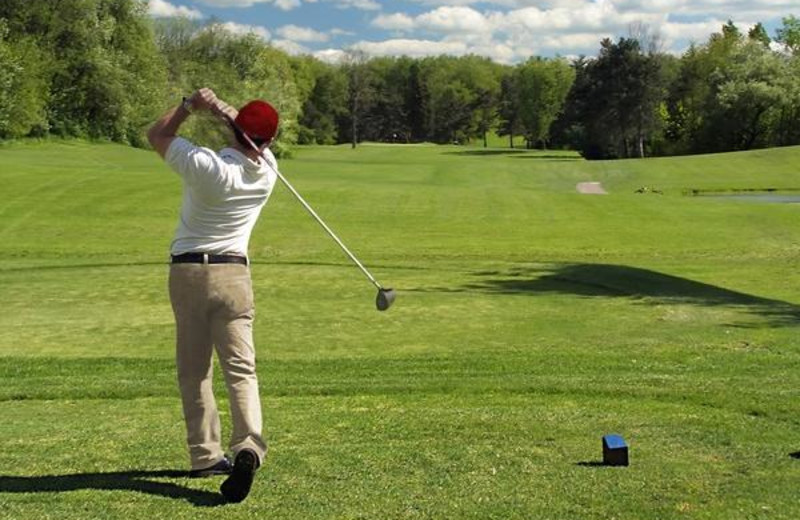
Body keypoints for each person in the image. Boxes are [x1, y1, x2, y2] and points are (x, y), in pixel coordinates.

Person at [147, 88, 279, 503]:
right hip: (233, 277)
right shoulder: (269, 170)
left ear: (235, 131)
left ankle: (205, 454)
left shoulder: (205, 165)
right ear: (269, 141)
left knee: (194, 370)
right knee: (241, 370)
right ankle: (248, 448)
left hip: (187, 272)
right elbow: (251, 139)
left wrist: (190, 106)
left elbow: (158, 135)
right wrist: (228, 114)